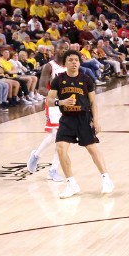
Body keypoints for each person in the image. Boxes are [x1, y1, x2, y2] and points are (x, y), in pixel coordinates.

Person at [45, 51, 114, 199]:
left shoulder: (86, 79)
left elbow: (93, 102)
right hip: (67, 119)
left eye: (76, 60)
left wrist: (96, 120)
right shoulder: (59, 80)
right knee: (60, 148)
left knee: (92, 149)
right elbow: (49, 100)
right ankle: (71, 184)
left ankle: (106, 179)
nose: (74, 62)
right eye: (71, 60)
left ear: (79, 63)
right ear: (65, 63)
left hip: (83, 118)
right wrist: (61, 102)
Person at [29, 42, 69, 182]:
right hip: (53, 104)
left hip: (67, 104)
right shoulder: (49, 66)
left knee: (57, 137)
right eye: (61, 48)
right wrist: (58, 96)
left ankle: (36, 155)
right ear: (54, 50)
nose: (64, 50)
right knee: (60, 137)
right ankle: (53, 170)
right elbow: (41, 89)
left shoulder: (69, 66)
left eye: (66, 48)